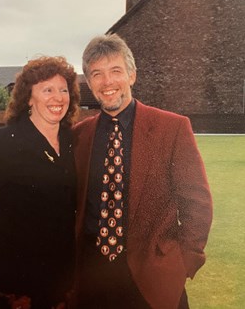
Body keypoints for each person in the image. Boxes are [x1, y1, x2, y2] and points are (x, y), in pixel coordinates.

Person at [72, 34, 213, 309]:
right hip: (92, 280)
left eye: (115, 71)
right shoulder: (79, 136)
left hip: (153, 281)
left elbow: (197, 202)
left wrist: (183, 261)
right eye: (97, 74)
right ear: (89, 83)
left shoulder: (172, 128)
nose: (107, 82)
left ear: (132, 76)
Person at [0, 56, 80, 309]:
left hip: (62, 276)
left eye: (63, 90)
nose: (58, 97)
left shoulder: (72, 140)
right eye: (47, 90)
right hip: (17, 280)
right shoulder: (6, 143)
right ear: (29, 98)